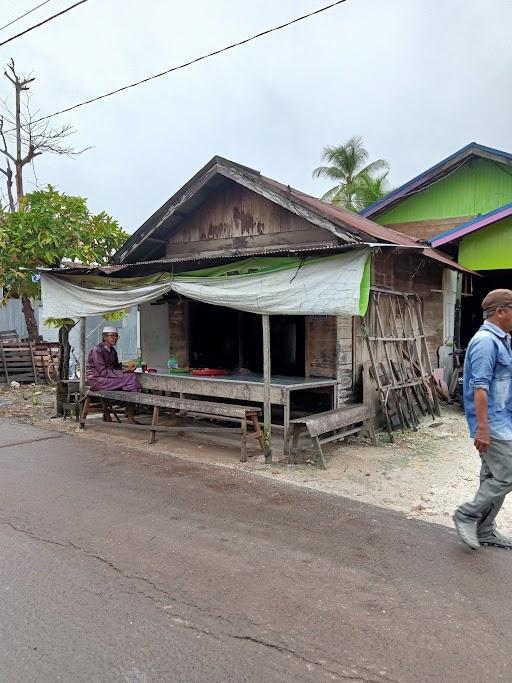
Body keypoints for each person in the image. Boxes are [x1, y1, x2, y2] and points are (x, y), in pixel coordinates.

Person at [453, 289, 512, 550]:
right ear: (501, 311)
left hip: (503, 419)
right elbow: (479, 388)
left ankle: (485, 530)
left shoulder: (502, 340)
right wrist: (483, 429)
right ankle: (466, 514)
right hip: (493, 424)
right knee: (507, 475)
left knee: (492, 477)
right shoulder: (486, 342)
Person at [85, 326, 139, 393]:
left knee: (131, 375)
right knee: (131, 378)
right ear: (105, 337)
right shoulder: (97, 350)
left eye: (117, 336)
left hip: (107, 378)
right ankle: (132, 400)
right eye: (113, 336)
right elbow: (103, 372)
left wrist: (127, 368)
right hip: (96, 380)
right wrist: (125, 371)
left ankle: (128, 400)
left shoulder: (113, 351)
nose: (115, 338)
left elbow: (116, 366)